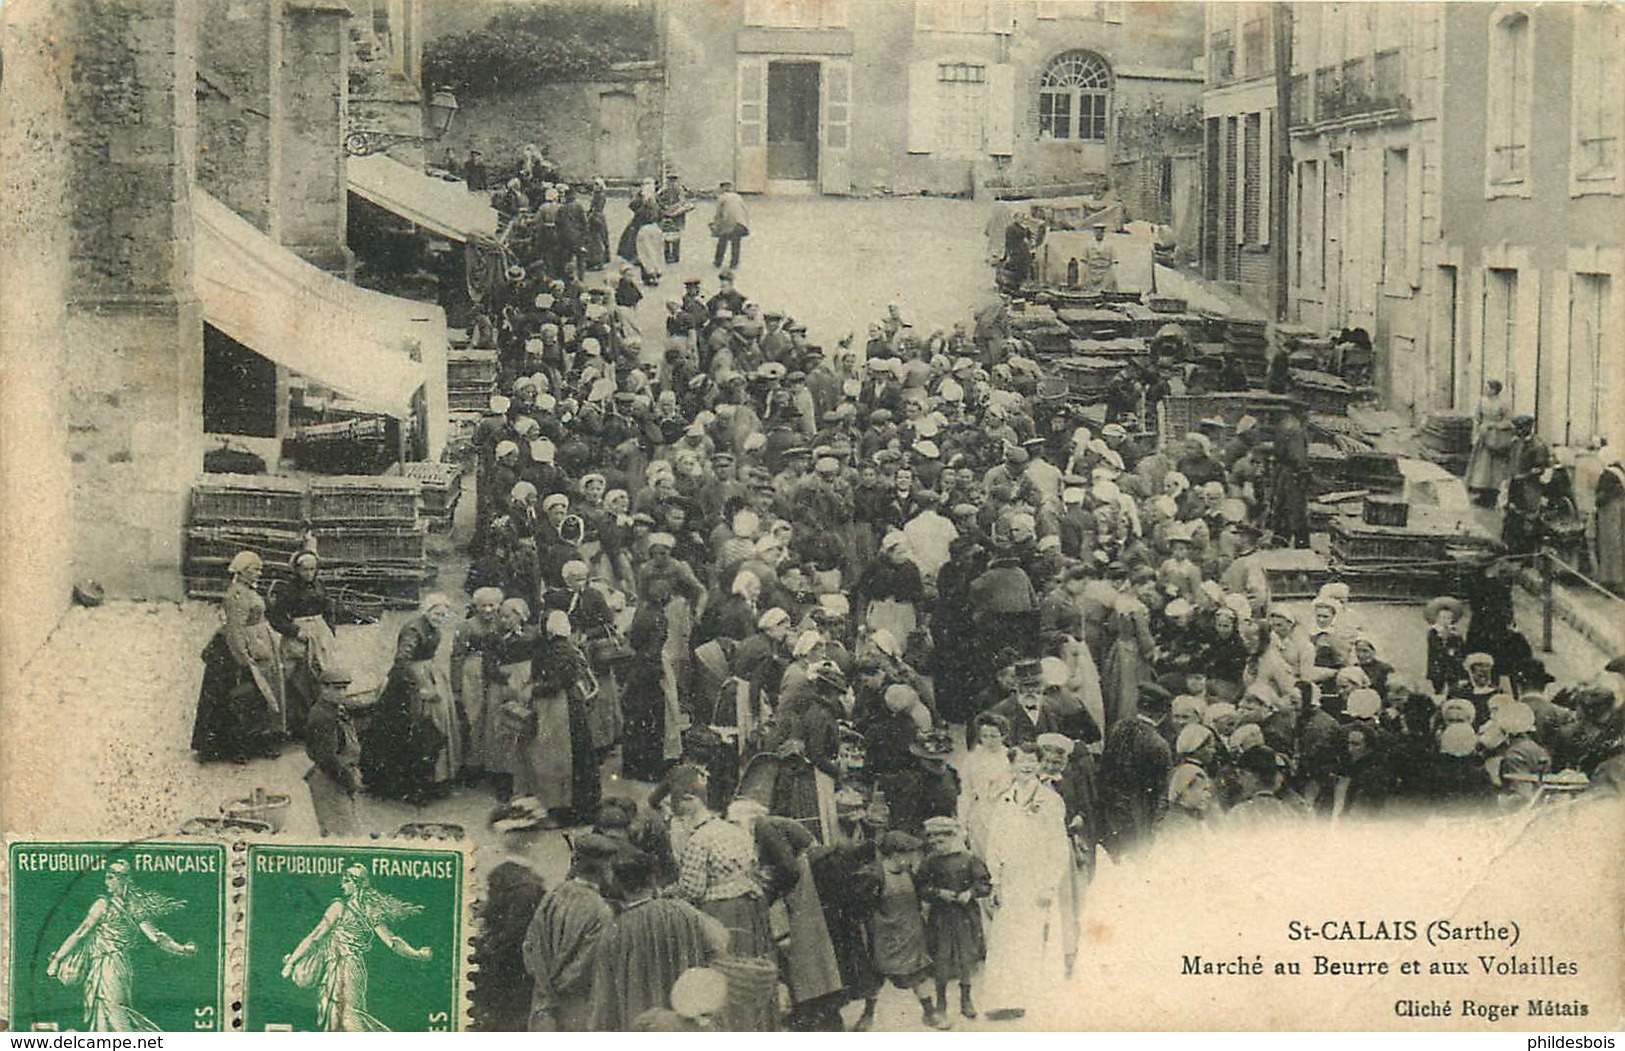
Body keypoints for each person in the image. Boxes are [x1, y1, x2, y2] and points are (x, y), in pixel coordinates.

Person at [46, 859, 197, 1032]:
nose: (106, 882)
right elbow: (81, 931)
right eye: (106, 877)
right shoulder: (108, 905)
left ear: (122, 879)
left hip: (113, 967)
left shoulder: (124, 907)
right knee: (102, 1013)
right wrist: (57, 959)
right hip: (103, 967)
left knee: (115, 1013)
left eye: (111, 878)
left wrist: (181, 949)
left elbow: (155, 936)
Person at [979, 742, 1072, 1022]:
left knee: (1037, 938)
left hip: (1038, 878)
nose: (1027, 766)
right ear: (1012, 764)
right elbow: (995, 842)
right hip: (1011, 880)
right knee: (1007, 939)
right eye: (1021, 761)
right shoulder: (1005, 800)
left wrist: (1050, 884)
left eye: (1033, 761)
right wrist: (995, 881)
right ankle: (1007, 999)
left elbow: (1057, 846)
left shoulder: (1050, 800)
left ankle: (1039, 1000)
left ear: (1040, 764)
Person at [586, 854, 730, 1031]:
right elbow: (719, 941)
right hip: (686, 1013)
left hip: (640, 1020)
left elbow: (604, 993)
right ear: (652, 880)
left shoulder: (614, 931)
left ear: (618, 885)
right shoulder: (682, 910)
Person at [281, 865, 432, 1031]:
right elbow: (393, 942)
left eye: (346, 881)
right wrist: (417, 954)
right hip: (340, 967)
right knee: (333, 1020)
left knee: (349, 1017)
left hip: (346, 967)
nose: (342, 885)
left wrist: (291, 962)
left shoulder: (339, 907)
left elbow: (315, 936)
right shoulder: (370, 911)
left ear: (357, 884)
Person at [360, 593, 460, 805]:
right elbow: (402, 660)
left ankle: (434, 777)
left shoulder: (434, 628)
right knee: (412, 728)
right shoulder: (413, 629)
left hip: (429, 672)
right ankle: (409, 782)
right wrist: (421, 685)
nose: (439, 617)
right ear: (427, 610)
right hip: (409, 680)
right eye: (436, 613)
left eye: (443, 615)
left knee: (435, 725)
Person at [191, 550, 284, 763]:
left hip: (256, 645)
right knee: (242, 698)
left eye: (260, 569)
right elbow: (235, 629)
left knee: (259, 697)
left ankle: (256, 741)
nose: (259, 573)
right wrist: (244, 659)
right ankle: (236, 747)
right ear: (241, 571)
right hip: (237, 651)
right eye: (254, 570)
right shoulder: (237, 595)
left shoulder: (248, 590)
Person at [523, 834, 617, 1031]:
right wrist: (557, 990)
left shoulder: (555, 894)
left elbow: (530, 946)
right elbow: (583, 966)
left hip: (541, 1000)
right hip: (575, 1006)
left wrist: (544, 985)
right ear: (604, 869)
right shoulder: (601, 910)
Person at [867, 830, 953, 1029]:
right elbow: (863, 908)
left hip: (911, 933)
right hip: (885, 936)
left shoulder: (909, 874)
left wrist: (938, 893)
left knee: (917, 975)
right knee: (876, 978)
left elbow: (922, 894)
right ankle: (868, 1013)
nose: (914, 858)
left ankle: (930, 1014)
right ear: (896, 855)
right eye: (909, 854)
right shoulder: (875, 875)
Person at [915, 816, 992, 1022]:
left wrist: (971, 892)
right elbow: (920, 887)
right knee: (942, 958)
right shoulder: (930, 862)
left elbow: (985, 884)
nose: (938, 847)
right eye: (934, 843)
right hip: (941, 916)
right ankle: (941, 1003)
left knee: (966, 956)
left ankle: (966, 999)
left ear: (953, 837)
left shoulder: (969, 859)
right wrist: (938, 892)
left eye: (942, 842)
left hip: (965, 915)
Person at [267, 547, 335, 738]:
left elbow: (329, 608)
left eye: (313, 569)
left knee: (320, 674)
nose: (309, 573)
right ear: (296, 570)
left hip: (319, 634)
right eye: (305, 569)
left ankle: (320, 722)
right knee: (296, 678)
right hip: (298, 635)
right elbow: (276, 617)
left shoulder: (320, 586)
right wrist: (295, 631)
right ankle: (298, 725)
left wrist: (329, 629)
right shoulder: (287, 589)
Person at [303, 665, 364, 837]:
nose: (342, 693)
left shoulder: (335, 708)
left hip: (340, 775)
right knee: (341, 833)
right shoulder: (322, 716)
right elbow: (327, 758)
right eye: (337, 689)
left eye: (345, 688)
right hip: (330, 780)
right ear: (323, 688)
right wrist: (349, 781)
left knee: (346, 828)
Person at [1465, 379, 1514, 507]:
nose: (1486, 390)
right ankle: (1480, 490)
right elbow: (1477, 418)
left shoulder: (1503, 403)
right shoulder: (1482, 401)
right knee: (1482, 465)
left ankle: (1493, 492)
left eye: (1488, 388)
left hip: (1497, 437)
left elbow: (1509, 421)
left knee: (1495, 466)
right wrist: (1475, 434)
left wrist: (1496, 425)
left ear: (1495, 390)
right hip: (1484, 436)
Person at [711, 180, 750, 269]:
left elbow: (719, 214)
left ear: (721, 188)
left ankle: (718, 261)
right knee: (736, 244)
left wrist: (716, 227)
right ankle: (734, 263)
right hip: (740, 222)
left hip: (728, 222)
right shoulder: (738, 197)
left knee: (722, 242)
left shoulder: (722, 198)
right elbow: (745, 211)